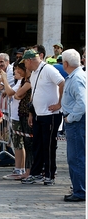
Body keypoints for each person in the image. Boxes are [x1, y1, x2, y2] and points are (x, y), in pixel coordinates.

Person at [21, 49, 65, 186]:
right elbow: (34, 94)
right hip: (38, 114)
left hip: (50, 115)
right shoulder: (34, 73)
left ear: (29, 60)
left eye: (25, 63)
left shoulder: (48, 69)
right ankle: (36, 173)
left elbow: (62, 82)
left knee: (49, 145)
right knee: (37, 145)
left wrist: (59, 103)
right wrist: (31, 113)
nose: (24, 66)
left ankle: (50, 175)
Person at [61, 49, 86, 202]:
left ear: (65, 63)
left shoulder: (76, 78)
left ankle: (80, 191)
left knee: (76, 157)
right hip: (76, 121)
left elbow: (82, 104)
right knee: (77, 156)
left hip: (77, 122)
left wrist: (70, 118)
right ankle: (79, 188)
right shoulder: (77, 75)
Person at [0, 65, 25, 180]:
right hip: (15, 116)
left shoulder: (22, 82)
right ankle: (20, 168)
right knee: (17, 143)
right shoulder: (20, 82)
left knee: (19, 144)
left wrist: (4, 78)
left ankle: (19, 169)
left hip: (19, 117)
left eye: (17, 72)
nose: (14, 74)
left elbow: (10, 92)